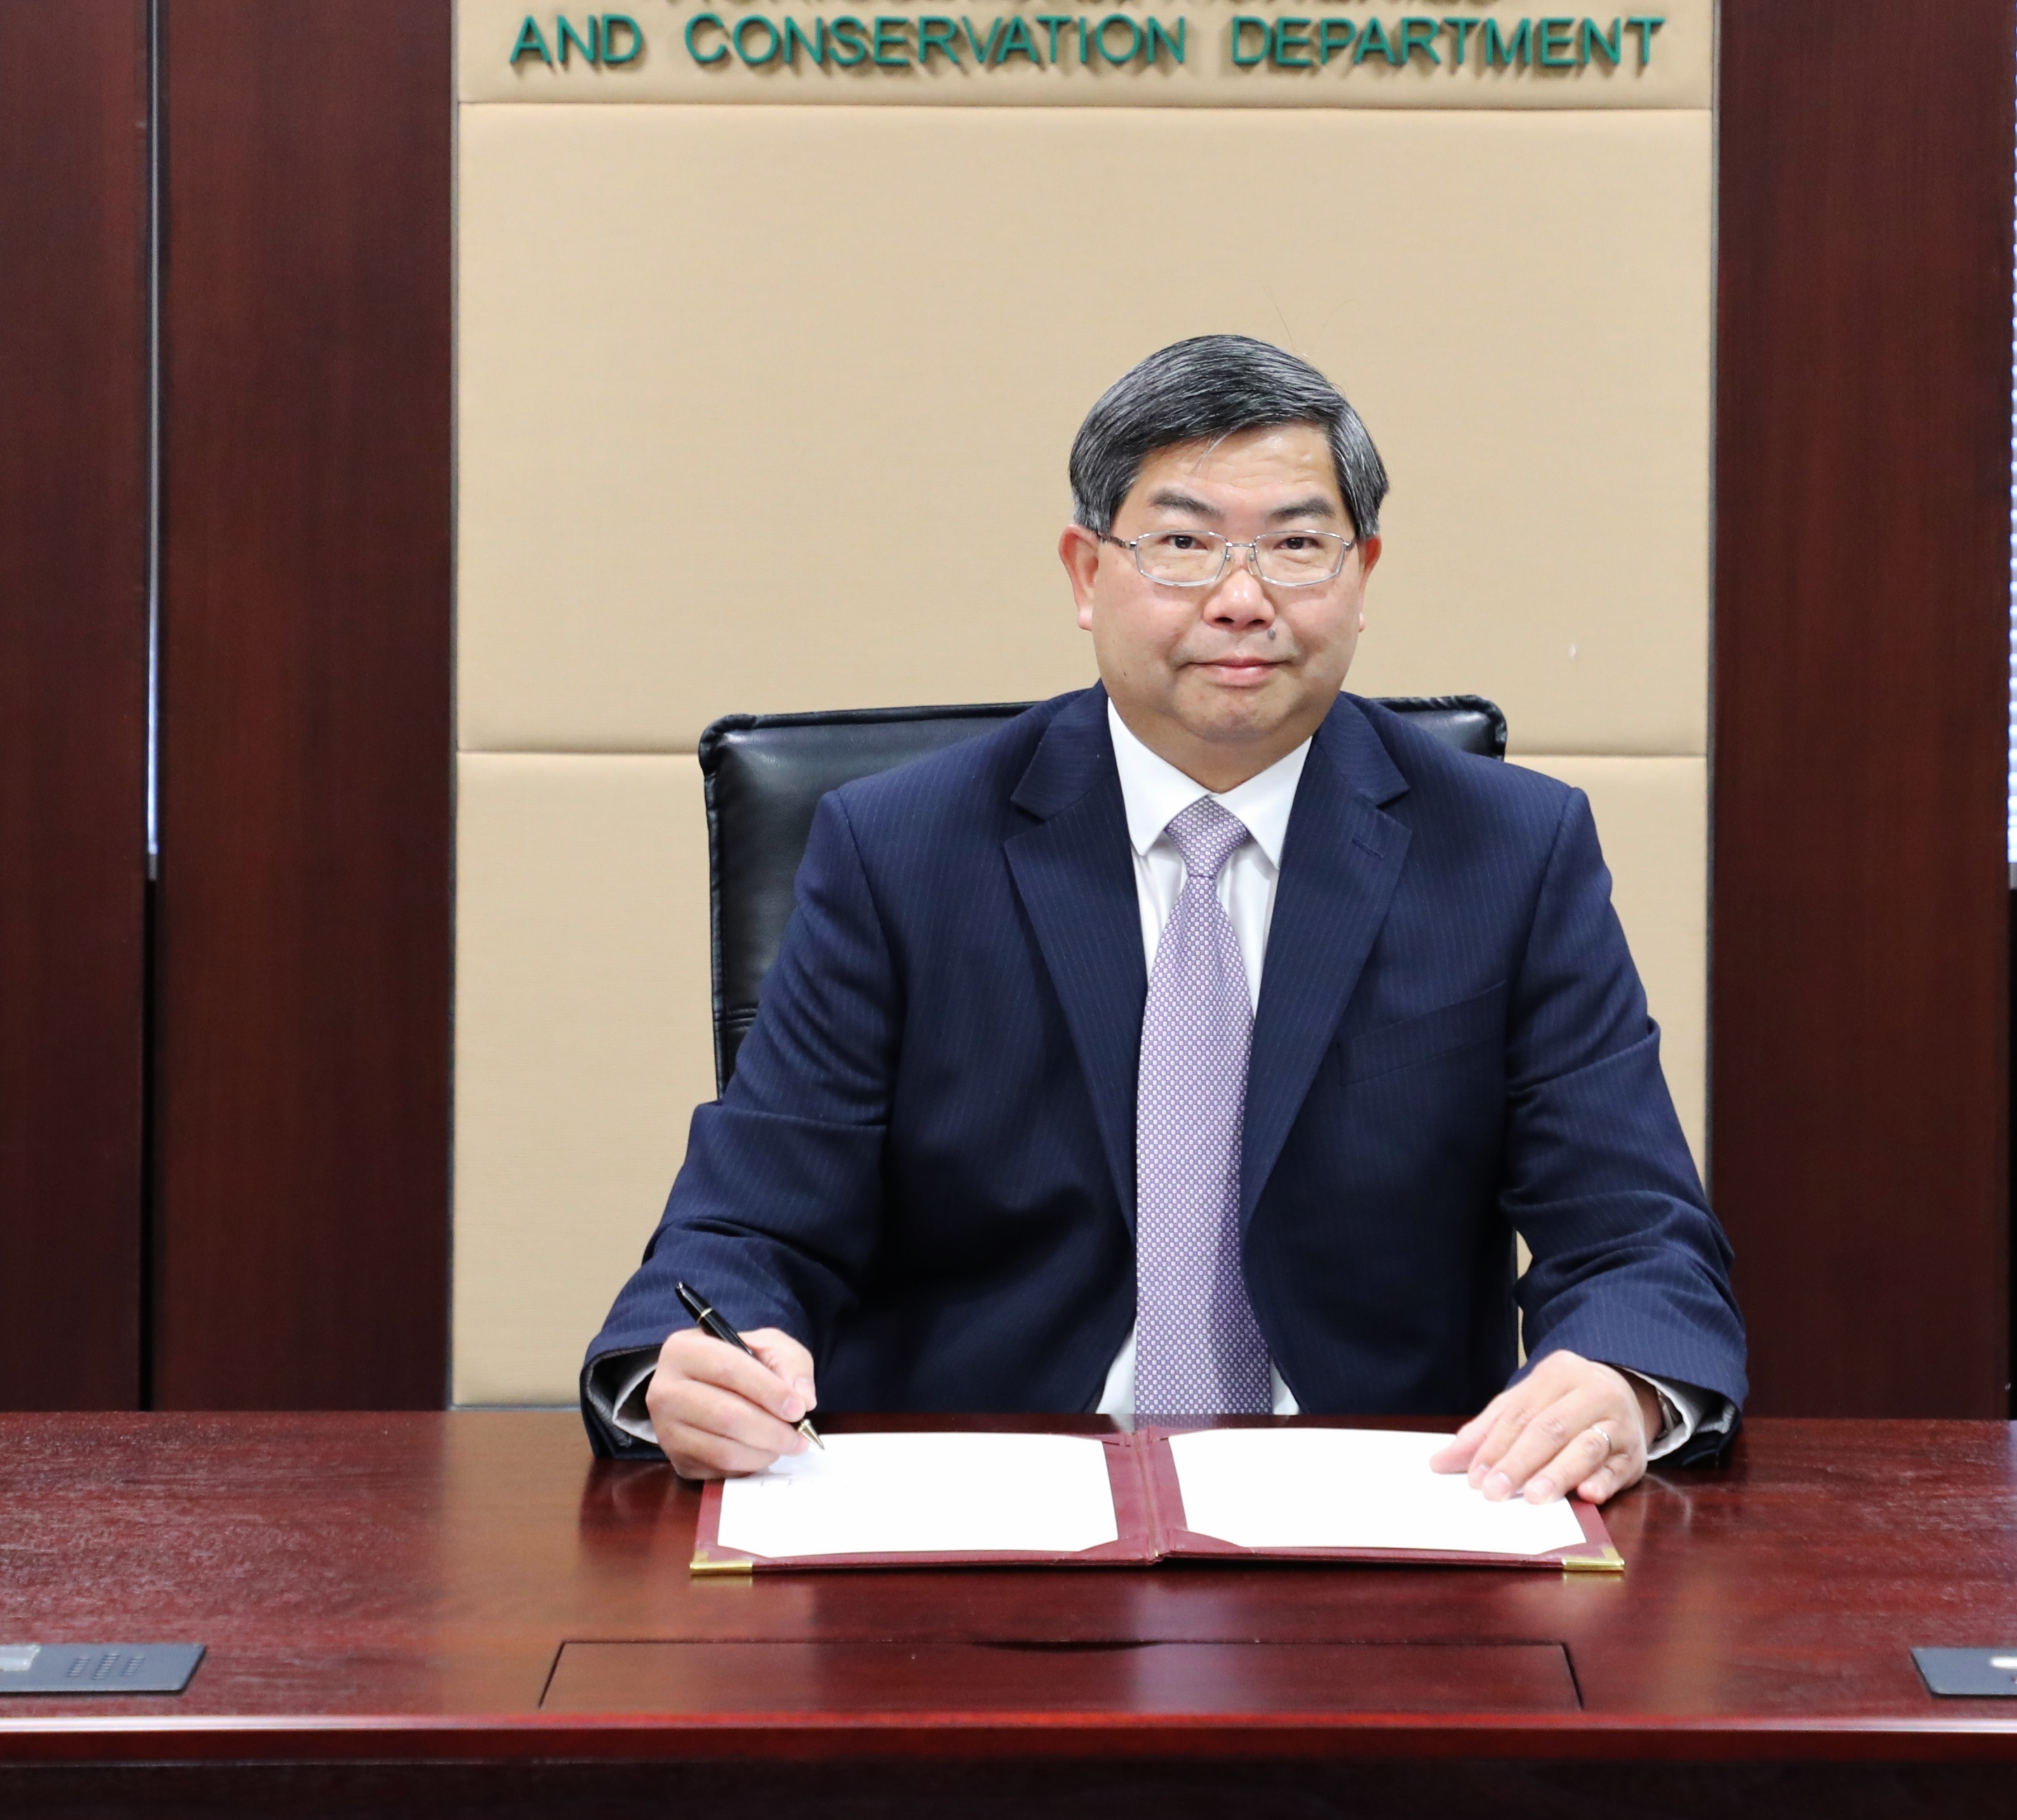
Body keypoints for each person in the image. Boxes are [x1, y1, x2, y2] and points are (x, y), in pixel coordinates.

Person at [580, 335, 1743, 1505]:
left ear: (1363, 575)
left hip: (1394, 1505)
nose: (1242, 600)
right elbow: (744, 1227)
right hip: (986, 1504)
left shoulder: (1507, 850)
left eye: (1296, 545)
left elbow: (1636, 1237)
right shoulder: (900, 849)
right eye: (1182, 544)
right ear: (1086, 575)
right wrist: (695, 1367)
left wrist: (1625, 1379)